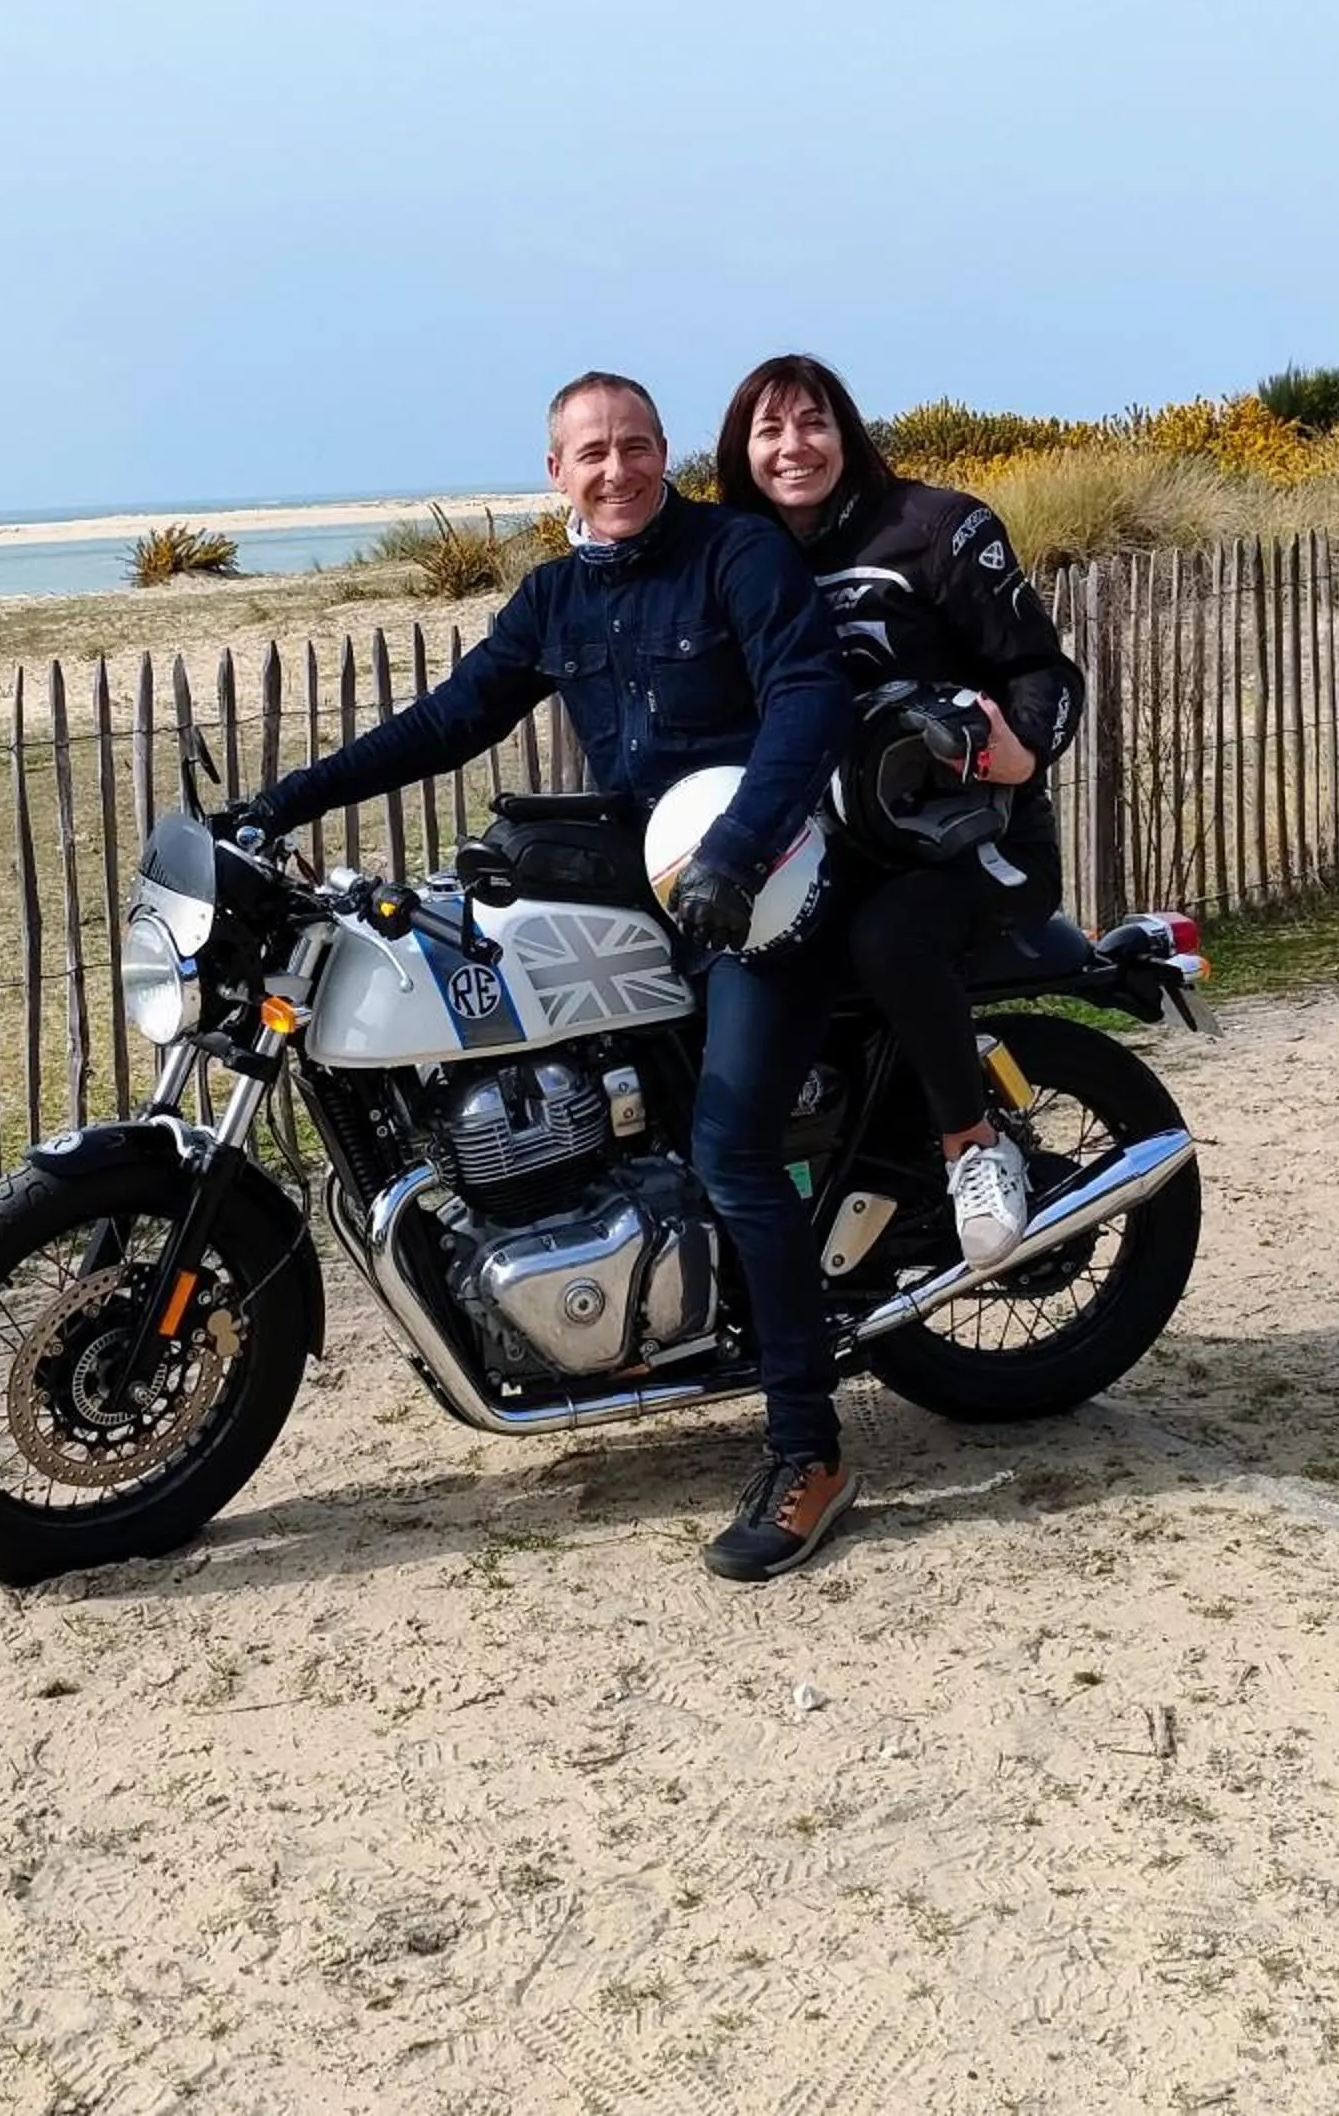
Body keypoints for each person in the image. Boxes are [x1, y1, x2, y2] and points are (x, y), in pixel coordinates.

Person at [219, 373, 859, 1583]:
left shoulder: (734, 555)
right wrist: (288, 800)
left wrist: (736, 852)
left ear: (663, 451)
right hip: (632, 894)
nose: (612, 472)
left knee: (729, 1148)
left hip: (761, 888)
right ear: (553, 472)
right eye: (587, 455)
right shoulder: (557, 594)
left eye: (631, 447)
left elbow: (806, 702)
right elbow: (452, 717)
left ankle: (807, 1447)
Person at [714, 355, 1085, 1270]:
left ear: (846, 432)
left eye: (813, 424)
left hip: (974, 845)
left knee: (888, 938)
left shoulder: (939, 529)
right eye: (770, 431)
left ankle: (973, 1146)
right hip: (828, 846)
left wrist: (1024, 748)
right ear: (741, 451)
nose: (793, 448)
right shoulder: (739, 553)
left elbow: (1045, 671)